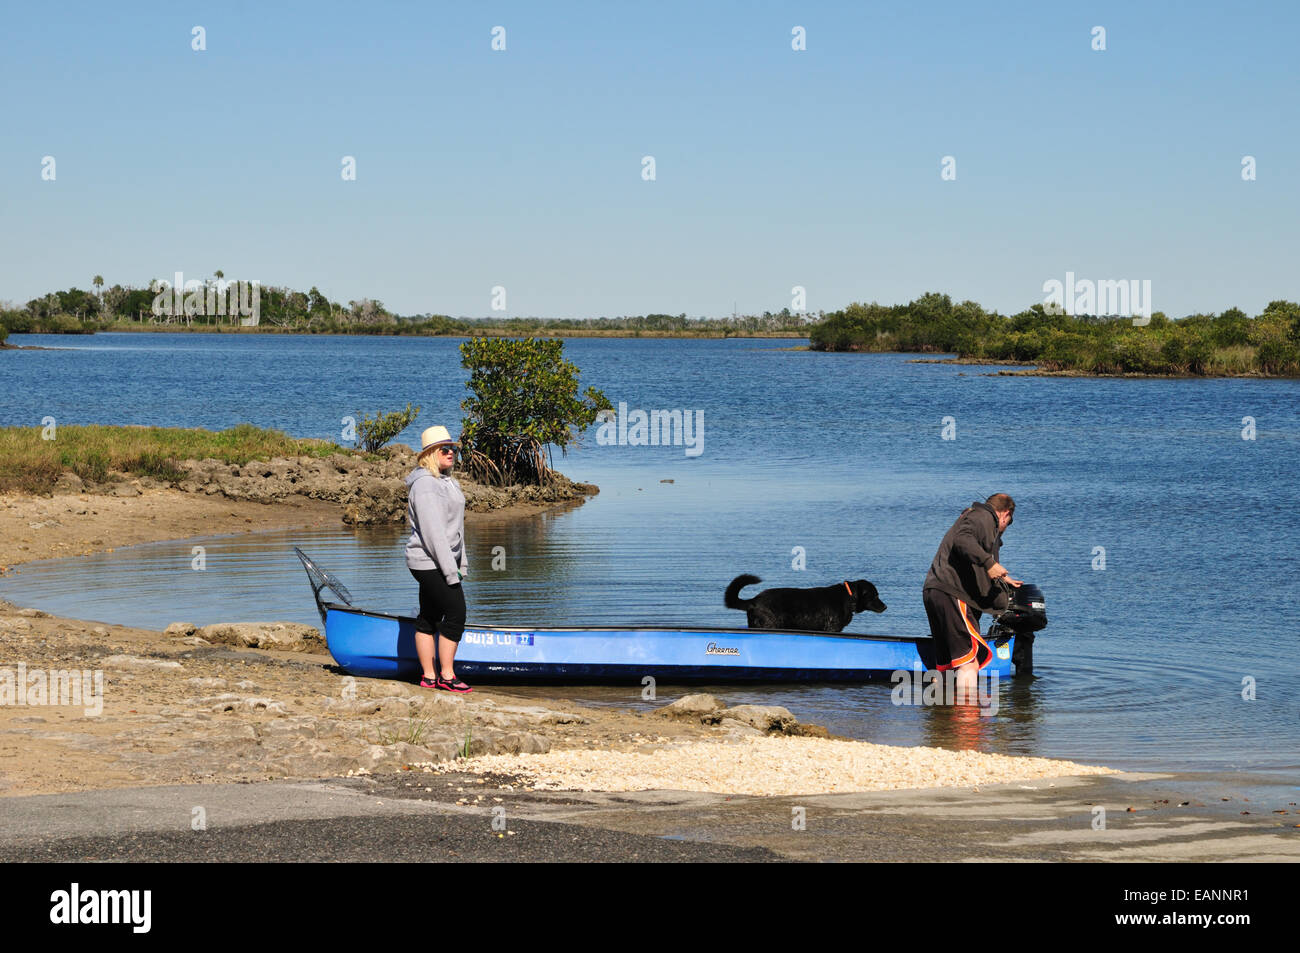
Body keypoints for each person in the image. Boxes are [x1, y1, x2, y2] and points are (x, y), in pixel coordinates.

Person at [922, 493, 1021, 702]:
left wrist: (1002, 578)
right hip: (952, 593)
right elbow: (963, 540)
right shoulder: (982, 517)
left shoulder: (971, 516)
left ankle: (941, 724)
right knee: (970, 663)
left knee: (946, 668)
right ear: (1006, 514)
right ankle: (967, 727)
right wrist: (989, 563)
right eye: (1007, 525)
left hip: (935, 591)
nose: (1003, 531)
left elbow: (968, 555)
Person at [405, 425, 471, 693]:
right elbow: (433, 534)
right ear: (430, 454)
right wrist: (450, 572)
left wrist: (461, 562)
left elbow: (456, 528)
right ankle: (447, 675)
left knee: (429, 617)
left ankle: (429, 677)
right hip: (428, 560)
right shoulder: (425, 485)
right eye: (445, 449)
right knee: (456, 613)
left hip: (442, 560)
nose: (451, 453)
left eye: (453, 448)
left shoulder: (446, 481)